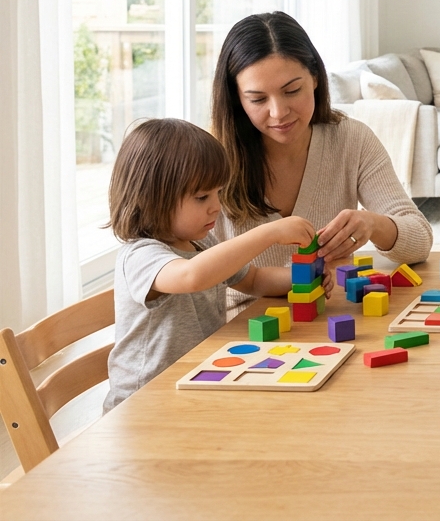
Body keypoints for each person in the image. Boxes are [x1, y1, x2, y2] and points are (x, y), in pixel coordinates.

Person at [211, 12, 432, 310]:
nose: (278, 112)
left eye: (292, 91)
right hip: (238, 331)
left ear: (315, 77)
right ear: (236, 97)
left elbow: (419, 240)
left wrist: (373, 224)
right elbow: (184, 272)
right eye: (258, 99)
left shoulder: (351, 140)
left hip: (328, 316)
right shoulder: (210, 159)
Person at [104, 119, 321, 411]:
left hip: (199, 378)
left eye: (218, 193)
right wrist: (268, 233)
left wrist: (305, 277)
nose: (216, 206)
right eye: (202, 197)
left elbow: (254, 280)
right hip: (147, 402)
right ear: (151, 197)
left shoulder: (200, 244)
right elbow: (192, 276)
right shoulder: (141, 255)